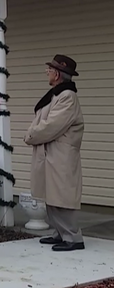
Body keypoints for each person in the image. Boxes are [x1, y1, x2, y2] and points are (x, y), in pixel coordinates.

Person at [24, 55, 85, 252]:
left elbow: (52, 126)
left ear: (57, 74)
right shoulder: (57, 95)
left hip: (61, 156)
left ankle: (73, 237)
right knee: (53, 195)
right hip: (53, 155)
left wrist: (31, 135)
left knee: (63, 197)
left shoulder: (67, 97)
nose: (47, 73)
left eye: (49, 70)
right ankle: (61, 233)